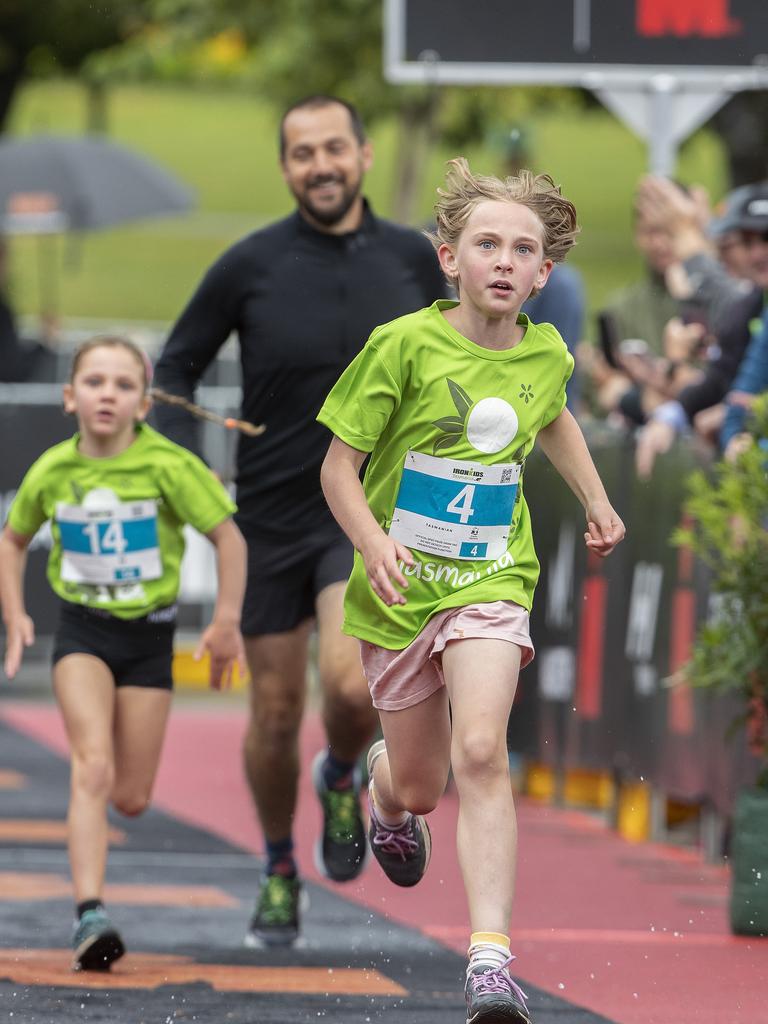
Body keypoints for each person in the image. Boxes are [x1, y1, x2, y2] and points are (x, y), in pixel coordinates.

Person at [317, 159, 625, 1023]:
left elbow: (553, 410)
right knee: (423, 785)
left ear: (542, 274)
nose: (502, 260)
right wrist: (374, 542)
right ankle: (378, 788)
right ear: (449, 258)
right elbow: (338, 468)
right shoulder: (403, 345)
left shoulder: (545, 350)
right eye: (485, 243)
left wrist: (595, 499)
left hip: (491, 578)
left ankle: (491, 964)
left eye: (521, 249)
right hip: (400, 588)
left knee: (482, 750)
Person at [152, 95, 446, 947]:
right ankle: (280, 866)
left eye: (334, 148)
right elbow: (174, 367)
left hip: (369, 517)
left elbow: (474, 348)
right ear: (286, 168)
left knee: (352, 689)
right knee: (274, 714)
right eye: (302, 152)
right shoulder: (249, 264)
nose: (320, 165)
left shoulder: (412, 262)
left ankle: (345, 771)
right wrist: (186, 459)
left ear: (363, 153)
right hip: (269, 519)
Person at [0, 336, 246, 971]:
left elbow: (227, 536)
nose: (106, 394)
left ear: (142, 402)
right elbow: (12, 538)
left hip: (149, 640)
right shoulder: (54, 469)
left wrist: (224, 621)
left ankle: (97, 870)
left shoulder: (168, 466)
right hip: (82, 633)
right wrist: (17, 613)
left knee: (131, 795)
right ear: (69, 396)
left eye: (122, 385)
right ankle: (90, 913)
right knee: (92, 765)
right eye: (94, 382)